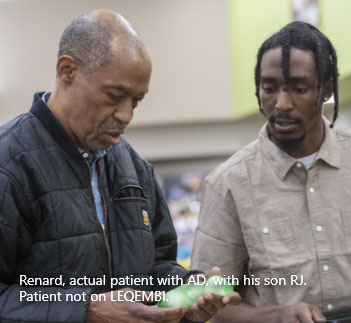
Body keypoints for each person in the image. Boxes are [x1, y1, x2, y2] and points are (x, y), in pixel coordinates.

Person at [0, 9, 240, 323]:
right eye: (115, 96)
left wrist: (185, 291)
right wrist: (87, 311)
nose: (126, 116)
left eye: (136, 101)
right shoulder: (10, 164)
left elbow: (155, 267)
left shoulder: (134, 168)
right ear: (67, 70)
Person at [191, 20, 351, 323]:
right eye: (269, 88)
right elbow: (209, 303)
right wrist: (273, 315)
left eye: (299, 88)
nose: (282, 103)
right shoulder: (229, 184)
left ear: (326, 90)